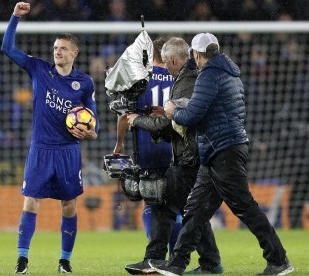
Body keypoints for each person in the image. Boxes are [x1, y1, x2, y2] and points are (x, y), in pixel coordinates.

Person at [156, 33, 294, 276]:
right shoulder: (230, 74)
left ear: (196, 55)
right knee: (196, 208)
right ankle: (178, 263)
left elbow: (193, 116)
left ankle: (279, 260)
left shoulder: (208, 75)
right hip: (220, 148)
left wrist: (172, 112)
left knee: (244, 207)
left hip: (223, 149)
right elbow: (210, 108)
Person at [1, 2, 98, 274]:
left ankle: (65, 261)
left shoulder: (85, 83)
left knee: (69, 206)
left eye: (63, 48)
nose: (57, 52)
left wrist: (91, 132)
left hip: (68, 151)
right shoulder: (39, 69)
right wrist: (15, 18)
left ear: (74, 53)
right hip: (40, 149)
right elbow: (8, 49)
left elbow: (93, 119)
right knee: (30, 201)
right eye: (55, 48)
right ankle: (22, 260)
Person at [125, 37, 223, 275]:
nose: (165, 68)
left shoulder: (186, 82)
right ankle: (203, 262)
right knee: (185, 208)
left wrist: (138, 120)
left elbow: (169, 125)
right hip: (192, 155)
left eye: (167, 63)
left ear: (175, 60)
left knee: (174, 205)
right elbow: (179, 122)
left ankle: (161, 259)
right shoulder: (188, 78)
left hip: (192, 157)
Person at [113, 37, 177, 274]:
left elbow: (124, 115)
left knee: (153, 204)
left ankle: (156, 259)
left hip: (148, 148)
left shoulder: (141, 79)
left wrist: (119, 144)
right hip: (175, 150)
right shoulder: (178, 77)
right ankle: (173, 257)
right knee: (174, 206)